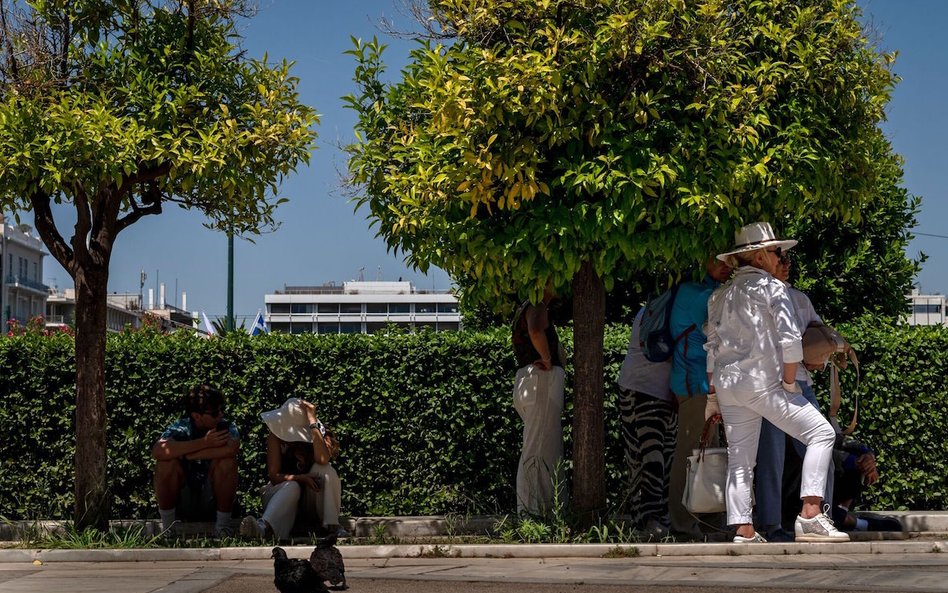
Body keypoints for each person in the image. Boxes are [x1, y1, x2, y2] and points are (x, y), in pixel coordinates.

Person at [704, 221, 848, 543]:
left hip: (729, 384)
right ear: (758, 257)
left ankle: (744, 530)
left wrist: (713, 394)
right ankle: (811, 514)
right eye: (775, 251)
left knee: (741, 457)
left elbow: (712, 349)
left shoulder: (719, 297)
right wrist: (788, 384)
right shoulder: (773, 289)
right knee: (821, 433)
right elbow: (790, 342)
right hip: (762, 383)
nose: (779, 257)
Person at [753, 251, 833, 542]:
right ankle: (772, 524)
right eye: (782, 259)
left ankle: (822, 516)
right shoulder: (756, 297)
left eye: (789, 261)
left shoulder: (799, 299)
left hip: (798, 383)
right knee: (771, 457)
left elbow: (820, 335)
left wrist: (818, 356)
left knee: (822, 446)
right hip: (772, 384)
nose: (786, 265)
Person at [667, 256, 732, 537]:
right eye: (717, 259)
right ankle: (684, 524)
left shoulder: (698, 291)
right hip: (695, 384)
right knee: (691, 454)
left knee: (705, 453)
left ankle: (705, 523)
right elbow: (720, 332)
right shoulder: (700, 294)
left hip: (699, 385)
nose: (725, 264)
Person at [240, 397, 343, 540]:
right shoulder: (275, 438)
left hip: (308, 501)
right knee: (292, 485)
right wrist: (301, 478)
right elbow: (274, 477)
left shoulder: (316, 434)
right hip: (282, 496)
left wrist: (313, 422)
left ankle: (333, 525)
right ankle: (263, 527)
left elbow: (323, 460)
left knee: (326, 470)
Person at [152, 384, 240, 537]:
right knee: (166, 464)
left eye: (221, 410)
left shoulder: (225, 427)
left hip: (211, 497)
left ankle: (222, 527)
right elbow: (159, 451)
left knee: (227, 462)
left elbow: (230, 450)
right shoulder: (181, 427)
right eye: (214, 413)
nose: (220, 415)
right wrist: (205, 443)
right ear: (196, 416)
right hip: (183, 498)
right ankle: (168, 529)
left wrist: (188, 454)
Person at [617, 307, 675, 537]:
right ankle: (652, 518)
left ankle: (642, 518)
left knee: (642, 458)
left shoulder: (649, 310)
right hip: (651, 389)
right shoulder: (670, 310)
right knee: (655, 457)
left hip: (638, 386)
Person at [511, 284, 566, 516]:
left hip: (529, 381)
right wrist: (547, 358)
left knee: (536, 445)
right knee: (540, 448)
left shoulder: (526, 306)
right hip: (540, 381)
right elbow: (535, 330)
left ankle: (535, 509)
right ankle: (533, 511)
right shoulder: (537, 305)